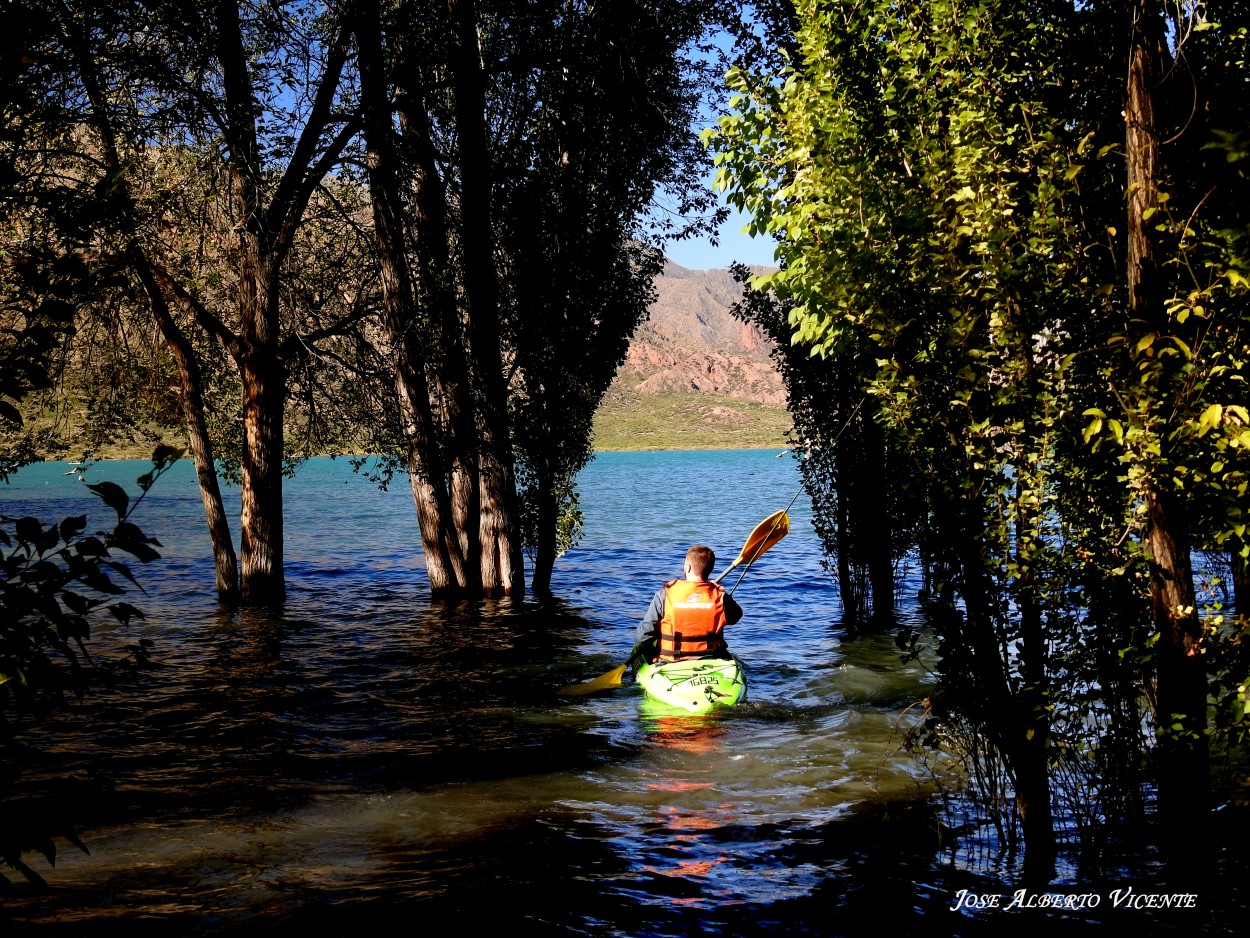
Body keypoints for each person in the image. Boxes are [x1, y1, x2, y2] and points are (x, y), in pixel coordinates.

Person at [634, 544, 743, 663]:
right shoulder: (721, 597)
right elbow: (735, 617)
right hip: (712, 661)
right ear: (710, 569)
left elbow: (642, 637)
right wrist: (718, 594)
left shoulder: (664, 595)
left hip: (671, 662)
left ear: (688, 568)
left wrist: (650, 653)